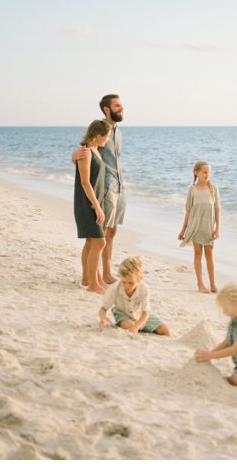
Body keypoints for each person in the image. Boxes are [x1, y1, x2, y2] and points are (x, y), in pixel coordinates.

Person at [73, 94, 125, 286]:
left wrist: (122, 182)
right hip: (104, 188)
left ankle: (104, 273)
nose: (121, 108)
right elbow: (83, 151)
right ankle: (95, 277)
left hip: (118, 186)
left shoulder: (117, 132)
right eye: (117, 106)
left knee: (111, 232)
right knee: (98, 236)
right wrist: (73, 156)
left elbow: (116, 159)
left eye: (121, 105)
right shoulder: (100, 129)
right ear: (106, 109)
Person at [75, 119, 111, 293]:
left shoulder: (96, 150)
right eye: (106, 137)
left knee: (91, 242)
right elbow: (85, 182)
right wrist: (96, 206)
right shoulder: (86, 152)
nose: (107, 140)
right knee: (99, 242)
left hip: (95, 202)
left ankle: (89, 279)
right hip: (87, 204)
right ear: (98, 136)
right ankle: (92, 284)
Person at [98, 255, 171, 336]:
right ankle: (134, 326)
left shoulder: (144, 289)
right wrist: (103, 318)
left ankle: (138, 326)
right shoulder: (115, 288)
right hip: (122, 314)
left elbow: (145, 313)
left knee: (166, 331)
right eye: (124, 281)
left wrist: (136, 326)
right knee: (129, 326)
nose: (126, 286)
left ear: (139, 279)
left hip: (139, 314)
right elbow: (103, 309)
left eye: (131, 283)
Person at [178, 161, 222, 293]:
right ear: (196, 173)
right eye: (204, 172)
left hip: (208, 227)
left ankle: (213, 284)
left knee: (209, 255)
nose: (207, 174)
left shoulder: (213, 189)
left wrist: (217, 228)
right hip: (195, 226)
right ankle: (200, 283)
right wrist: (183, 229)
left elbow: (218, 209)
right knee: (198, 253)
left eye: (209, 172)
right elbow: (188, 211)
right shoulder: (192, 190)